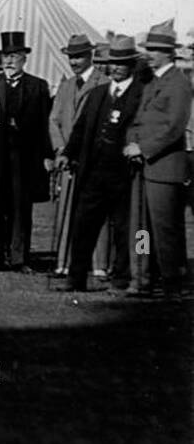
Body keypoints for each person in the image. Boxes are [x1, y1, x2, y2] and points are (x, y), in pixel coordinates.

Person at [59, 36, 144, 292]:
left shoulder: (140, 94)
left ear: (131, 64)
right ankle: (76, 279)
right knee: (84, 226)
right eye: (111, 63)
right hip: (93, 172)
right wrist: (68, 153)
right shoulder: (97, 94)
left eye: (121, 63)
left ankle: (120, 278)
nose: (115, 68)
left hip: (123, 174)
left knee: (123, 229)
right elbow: (81, 128)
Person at [0, 31, 53, 271]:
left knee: (20, 207)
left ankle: (19, 258)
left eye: (14, 56)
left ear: (24, 59)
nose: (9, 61)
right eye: (5, 56)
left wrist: (47, 155)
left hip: (23, 157)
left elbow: (43, 125)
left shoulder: (37, 86)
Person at [123, 20, 191, 296]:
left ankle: (172, 282)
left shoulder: (178, 84)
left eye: (154, 50)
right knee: (142, 229)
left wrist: (143, 148)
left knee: (165, 230)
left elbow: (174, 126)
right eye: (148, 49)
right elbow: (139, 119)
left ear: (167, 53)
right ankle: (143, 277)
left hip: (164, 168)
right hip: (144, 166)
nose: (148, 54)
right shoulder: (153, 82)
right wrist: (132, 143)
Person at [48, 34, 109, 276]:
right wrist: (61, 148)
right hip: (68, 159)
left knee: (96, 211)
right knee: (66, 210)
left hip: (94, 159)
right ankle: (64, 262)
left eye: (79, 56)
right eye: (71, 57)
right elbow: (53, 120)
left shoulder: (103, 83)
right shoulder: (65, 86)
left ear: (90, 56)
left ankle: (99, 264)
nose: (74, 62)